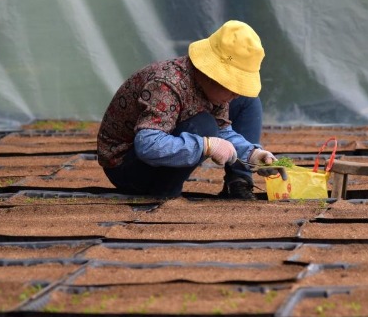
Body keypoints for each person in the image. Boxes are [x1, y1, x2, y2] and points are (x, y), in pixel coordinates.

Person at [97, 20, 282, 199]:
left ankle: (239, 181)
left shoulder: (211, 88)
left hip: (153, 151)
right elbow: (147, 145)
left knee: (247, 102)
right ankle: (164, 191)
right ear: (212, 75)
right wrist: (205, 146)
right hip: (127, 168)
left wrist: (251, 154)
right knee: (204, 126)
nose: (235, 93)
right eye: (232, 85)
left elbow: (222, 130)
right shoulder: (165, 85)